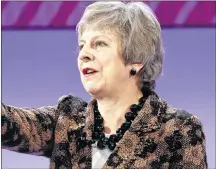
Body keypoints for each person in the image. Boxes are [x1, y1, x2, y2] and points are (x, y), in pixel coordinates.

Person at [1, 1, 208, 169]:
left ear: (135, 59)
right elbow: (6, 124)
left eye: (99, 44)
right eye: (82, 45)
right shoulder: (67, 120)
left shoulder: (178, 130)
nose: (84, 54)